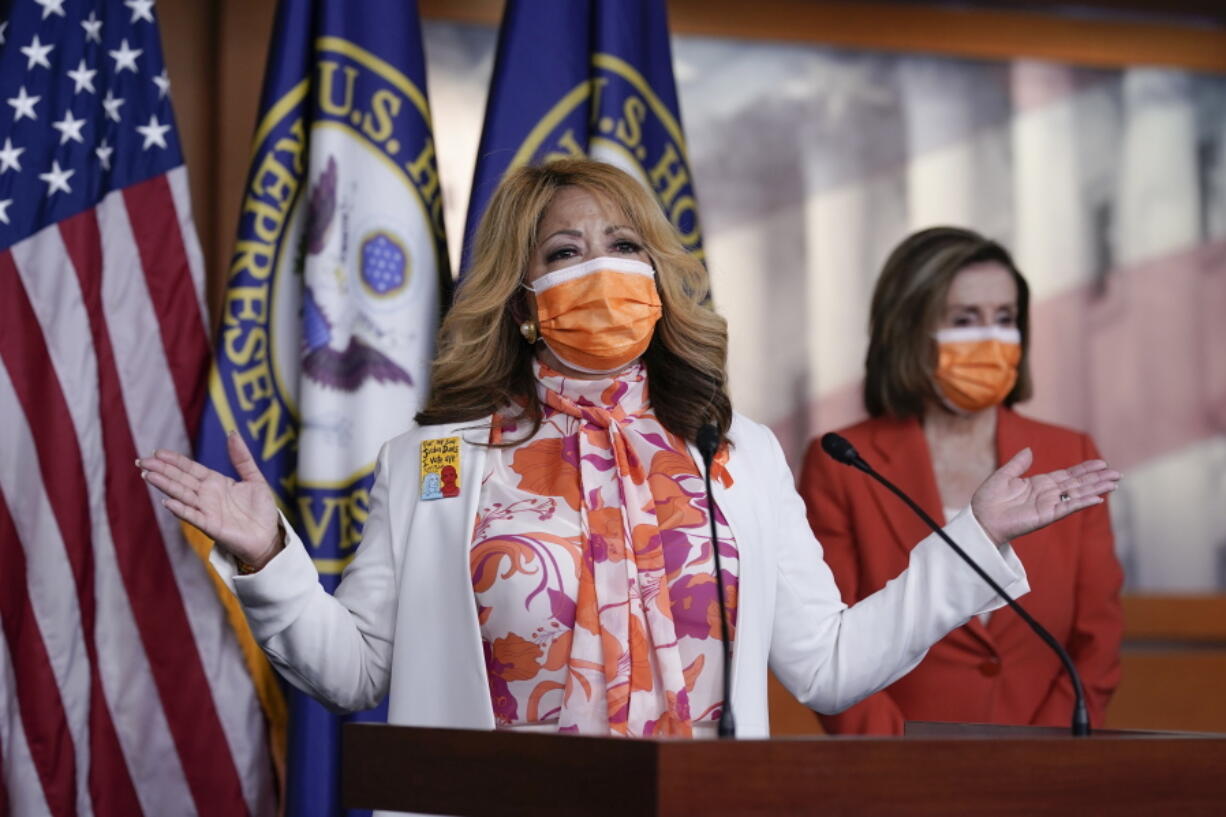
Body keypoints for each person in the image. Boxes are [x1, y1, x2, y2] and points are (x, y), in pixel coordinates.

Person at [139, 161, 1119, 745]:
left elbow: (824, 666)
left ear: (658, 277)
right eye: (564, 254)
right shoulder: (437, 461)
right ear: (520, 305)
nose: (601, 270)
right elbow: (356, 672)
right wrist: (269, 560)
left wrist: (969, 539)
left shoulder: (732, 452)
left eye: (623, 245)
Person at [799, 226, 1124, 735]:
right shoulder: (842, 463)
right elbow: (831, 646)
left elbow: (1096, 641)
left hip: (1044, 779)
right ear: (908, 329)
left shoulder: (1070, 454)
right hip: (901, 780)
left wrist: (1047, 764)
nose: (991, 337)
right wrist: (907, 771)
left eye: (1006, 318)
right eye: (965, 319)